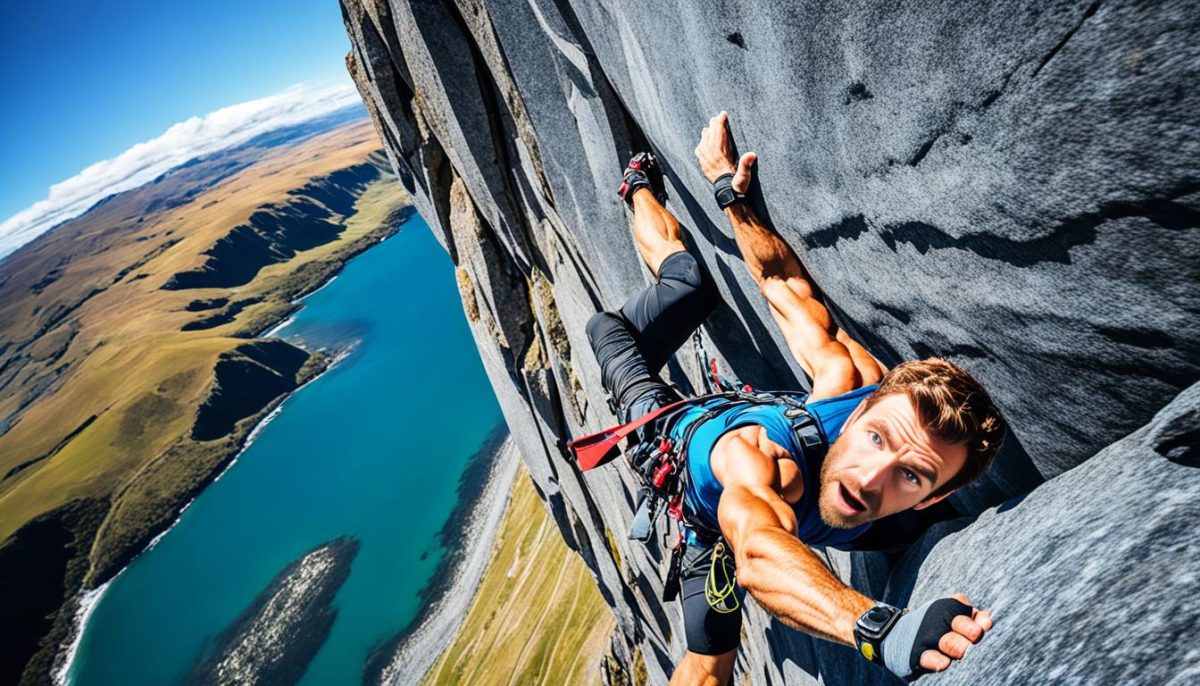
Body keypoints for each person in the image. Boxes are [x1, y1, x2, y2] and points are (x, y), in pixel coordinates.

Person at [581, 112, 1007, 686]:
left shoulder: (888, 482)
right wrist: (728, 192)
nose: (868, 477)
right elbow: (781, 281)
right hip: (668, 432)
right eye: (875, 438)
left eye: (912, 475)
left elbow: (783, 281)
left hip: (748, 500)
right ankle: (636, 187)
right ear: (859, 410)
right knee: (685, 287)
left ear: (937, 497)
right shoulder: (777, 444)